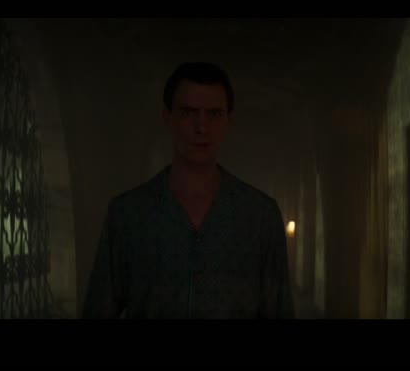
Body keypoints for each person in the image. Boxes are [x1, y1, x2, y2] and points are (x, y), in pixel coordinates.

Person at [82, 62, 294, 319]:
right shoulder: (128, 214)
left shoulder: (260, 216)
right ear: (167, 116)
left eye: (214, 114)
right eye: (188, 112)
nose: (201, 127)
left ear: (228, 119)